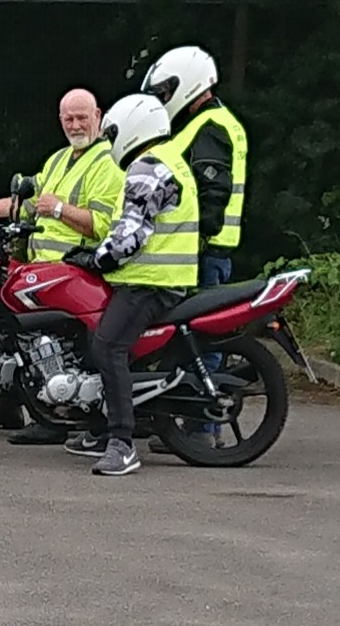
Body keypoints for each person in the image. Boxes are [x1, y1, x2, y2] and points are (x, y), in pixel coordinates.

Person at [0, 87, 124, 441]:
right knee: (6, 320)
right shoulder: (60, 159)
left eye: (82, 117)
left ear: (98, 116)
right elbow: (26, 205)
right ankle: (19, 402)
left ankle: (61, 413)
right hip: (46, 272)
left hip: (78, 272)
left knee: (47, 336)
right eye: (69, 118)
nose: (76, 124)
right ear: (60, 120)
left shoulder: (107, 164)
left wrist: (60, 209)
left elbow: (104, 225)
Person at [61, 93, 200, 476]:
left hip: (150, 281)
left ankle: (121, 443)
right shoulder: (170, 159)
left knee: (107, 347)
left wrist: (97, 259)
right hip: (162, 278)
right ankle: (99, 427)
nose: (109, 140)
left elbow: (130, 234)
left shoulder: (147, 167)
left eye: (113, 133)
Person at [139, 45, 248, 452]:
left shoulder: (210, 128)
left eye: (166, 90)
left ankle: (203, 429)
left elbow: (210, 192)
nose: (164, 99)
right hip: (209, 250)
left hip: (206, 252)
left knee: (200, 338)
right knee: (189, 337)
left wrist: (192, 234)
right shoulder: (205, 123)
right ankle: (188, 422)